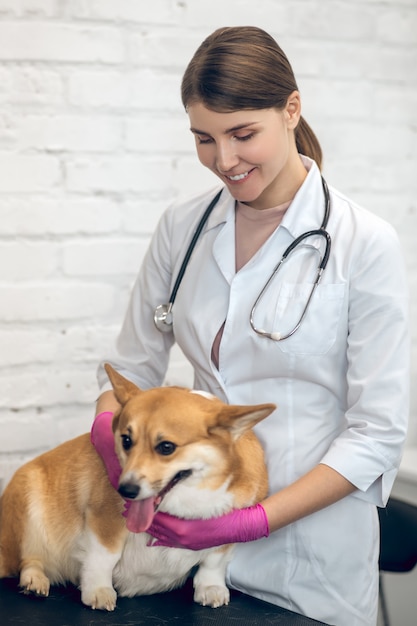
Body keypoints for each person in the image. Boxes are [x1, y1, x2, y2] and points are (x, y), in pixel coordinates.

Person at [91, 26, 409, 626]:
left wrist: (254, 520)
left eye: (243, 134)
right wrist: (119, 453)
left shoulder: (363, 244)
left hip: (307, 553)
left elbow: (377, 433)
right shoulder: (182, 229)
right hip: (188, 542)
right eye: (204, 139)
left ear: (291, 109)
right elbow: (131, 371)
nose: (224, 161)